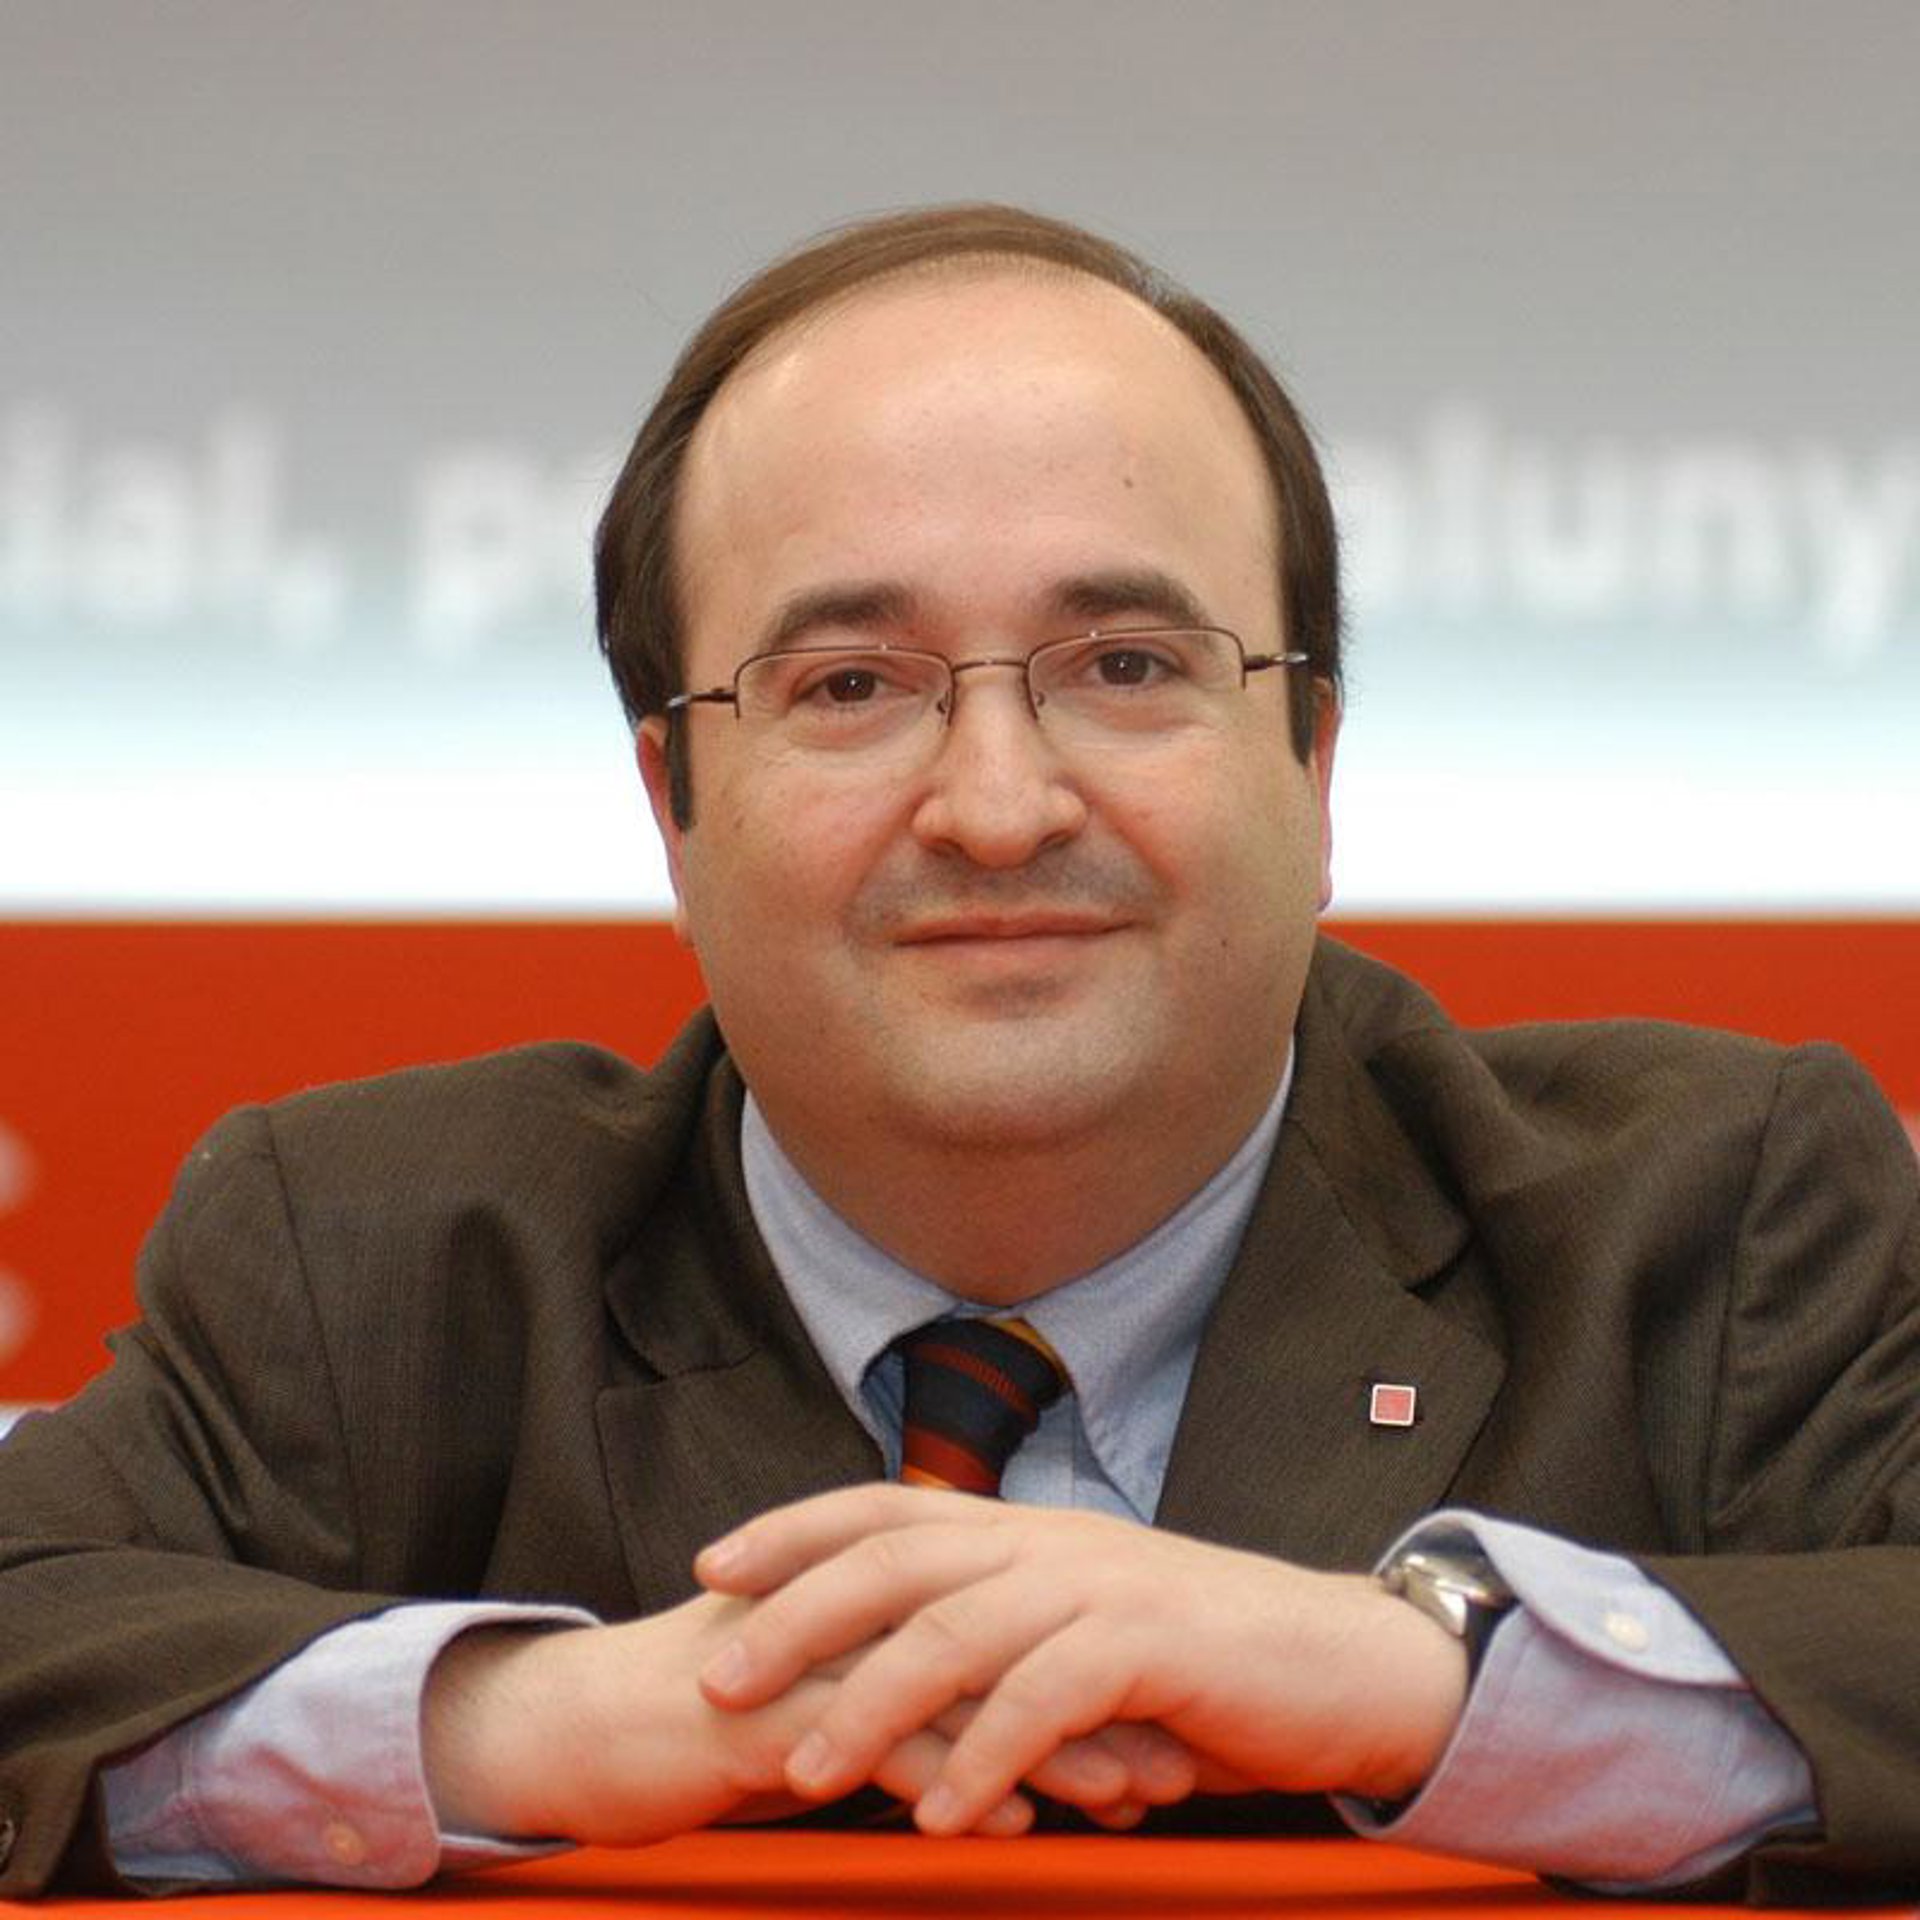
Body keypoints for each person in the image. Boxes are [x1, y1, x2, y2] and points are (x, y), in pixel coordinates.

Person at [1, 204, 1916, 1904]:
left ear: (1314, 767)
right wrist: (535, 1719)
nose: (999, 809)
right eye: (850, 686)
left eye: (1128, 666)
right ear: (674, 805)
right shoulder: (372, 1257)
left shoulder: (1719, 1216)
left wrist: (1427, 1671)